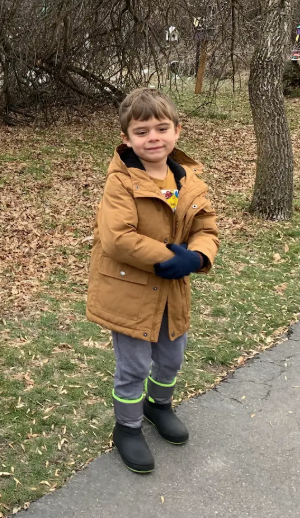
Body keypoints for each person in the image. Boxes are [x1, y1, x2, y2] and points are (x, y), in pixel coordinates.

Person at [87, 88, 219, 474]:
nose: (153, 138)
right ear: (126, 139)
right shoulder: (122, 182)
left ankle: (158, 406)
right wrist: (169, 258)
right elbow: (118, 238)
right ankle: (126, 427)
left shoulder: (189, 181)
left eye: (162, 128)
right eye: (142, 132)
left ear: (177, 131)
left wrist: (197, 257)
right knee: (133, 367)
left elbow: (206, 227)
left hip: (173, 293)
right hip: (130, 293)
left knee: (170, 358)